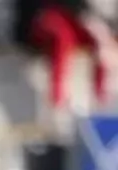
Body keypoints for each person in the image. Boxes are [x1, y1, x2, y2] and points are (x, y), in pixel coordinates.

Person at [14, 0, 118, 128]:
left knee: (99, 47)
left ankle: (99, 100)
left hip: (81, 22)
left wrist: (103, 36)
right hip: (47, 15)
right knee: (63, 38)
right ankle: (57, 101)